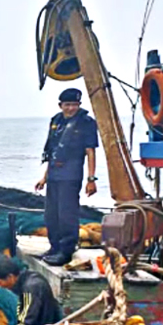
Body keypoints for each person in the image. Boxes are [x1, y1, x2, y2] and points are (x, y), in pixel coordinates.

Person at [35, 88, 99, 266]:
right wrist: (44, 177)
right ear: (60, 105)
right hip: (54, 174)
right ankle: (54, 247)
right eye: (67, 105)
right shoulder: (56, 121)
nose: (71, 108)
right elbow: (52, 152)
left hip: (71, 175)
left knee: (67, 215)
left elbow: (90, 152)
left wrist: (91, 179)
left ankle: (66, 251)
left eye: (75, 105)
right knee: (51, 215)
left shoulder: (86, 122)